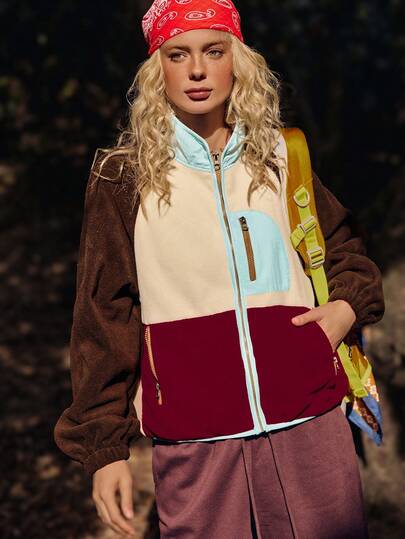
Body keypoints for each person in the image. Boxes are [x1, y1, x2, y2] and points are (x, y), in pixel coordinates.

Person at [53, 1, 385, 537]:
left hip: (309, 423)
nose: (197, 70)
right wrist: (103, 449)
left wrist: (344, 310)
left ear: (239, 60)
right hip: (194, 439)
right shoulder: (123, 178)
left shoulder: (282, 156)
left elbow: (347, 251)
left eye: (214, 51)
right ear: (156, 69)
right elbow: (103, 315)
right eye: (177, 54)